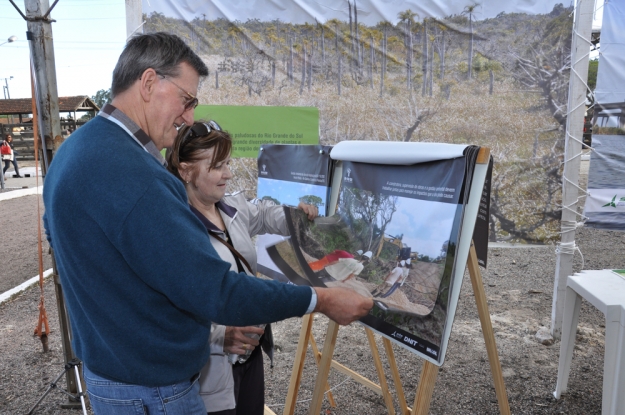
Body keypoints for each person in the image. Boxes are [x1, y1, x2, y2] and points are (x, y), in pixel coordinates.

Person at [42, 32, 372, 415]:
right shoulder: (136, 175)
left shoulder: (72, 153)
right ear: (149, 83)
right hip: (153, 393)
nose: (188, 117)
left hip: (110, 378)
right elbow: (215, 291)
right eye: (187, 100)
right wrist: (322, 298)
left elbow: (64, 244)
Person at [166, 120, 318, 414]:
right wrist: (220, 338)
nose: (228, 174)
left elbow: (264, 214)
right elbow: (170, 311)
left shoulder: (233, 206)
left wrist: (297, 215)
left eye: (228, 163)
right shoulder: (175, 228)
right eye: (216, 166)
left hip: (250, 354)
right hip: (212, 368)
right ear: (185, 171)